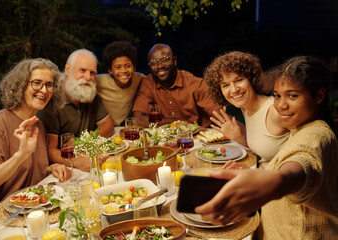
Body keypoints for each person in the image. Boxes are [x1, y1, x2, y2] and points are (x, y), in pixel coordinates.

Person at [196, 56, 338, 239]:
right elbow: (279, 155)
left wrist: (274, 181)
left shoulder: (316, 133)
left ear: (319, 96)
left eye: (292, 96)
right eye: (277, 95)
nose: (281, 104)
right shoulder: (297, 124)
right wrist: (253, 169)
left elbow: (302, 162)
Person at [0, 58, 72, 225]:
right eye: (37, 83)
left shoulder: (38, 125)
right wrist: (20, 155)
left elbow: (31, 172)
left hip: (31, 215)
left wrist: (51, 168)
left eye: (49, 85)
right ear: (20, 85)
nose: (44, 90)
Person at [204, 51, 289, 168]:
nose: (234, 90)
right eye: (225, 85)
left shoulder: (275, 111)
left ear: (251, 79)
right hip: (261, 176)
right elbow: (265, 149)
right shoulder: (246, 109)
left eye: (239, 80)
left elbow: (302, 154)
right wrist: (240, 140)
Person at [38, 49, 114, 172]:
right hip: (61, 169)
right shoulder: (51, 99)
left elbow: (109, 125)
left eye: (92, 73)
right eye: (82, 70)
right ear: (67, 70)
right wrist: (77, 161)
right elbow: (49, 151)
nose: (88, 77)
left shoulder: (88, 92)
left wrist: (83, 141)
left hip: (88, 161)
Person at [132, 43, 221, 128]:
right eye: (153, 63)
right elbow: (138, 120)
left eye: (164, 60)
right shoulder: (147, 83)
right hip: (165, 139)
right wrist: (175, 121)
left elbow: (220, 116)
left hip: (199, 138)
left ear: (174, 61)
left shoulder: (195, 84)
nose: (160, 66)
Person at [96, 41, 145, 126]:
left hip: (125, 125)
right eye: (118, 67)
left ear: (134, 67)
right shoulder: (99, 81)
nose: (123, 71)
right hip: (106, 126)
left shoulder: (140, 79)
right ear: (110, 70)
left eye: (128, 66)